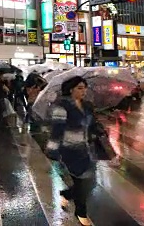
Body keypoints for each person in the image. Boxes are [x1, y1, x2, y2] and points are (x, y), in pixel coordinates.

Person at [45, 76, 95, 226]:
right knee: (82, 183)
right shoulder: (62, 106)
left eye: (84, 87)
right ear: (70, 89)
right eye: (79, 88)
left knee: (90, 182)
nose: (83, 91)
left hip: (85, 148)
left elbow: (90, 124)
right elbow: (57, 130)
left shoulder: (86, 105)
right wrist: (52, 149)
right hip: (69, 150)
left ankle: (66, 194)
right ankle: (81, 213)